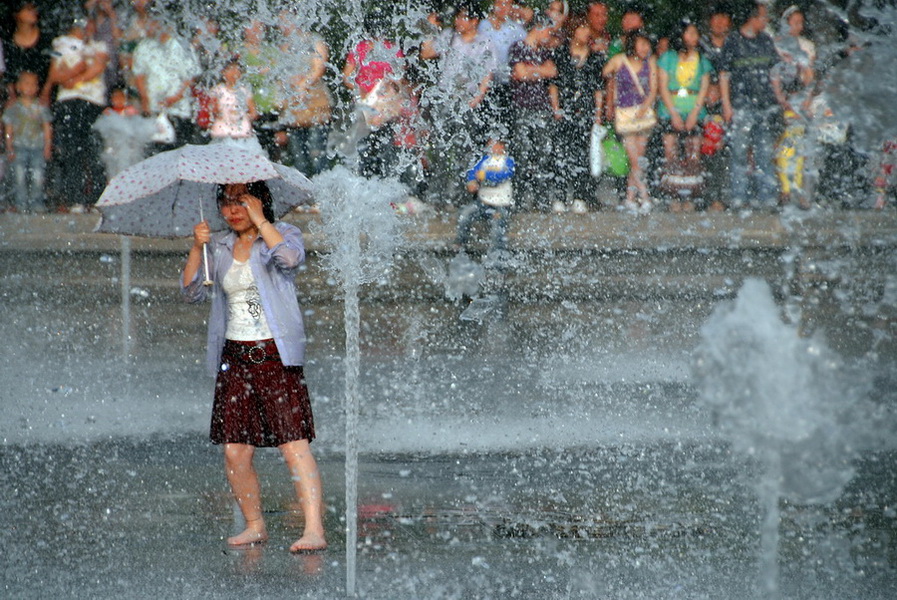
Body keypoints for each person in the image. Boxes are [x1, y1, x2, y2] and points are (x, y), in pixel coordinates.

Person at [182, 181, 327, 553]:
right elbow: (191, 291)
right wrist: (196, 249)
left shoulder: (283, 233)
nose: (232, 210)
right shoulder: (219, 244)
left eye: (241, 202)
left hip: (275, 354)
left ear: (259, 202)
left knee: (293, 445)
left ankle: (313, 529)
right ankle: (254, 525)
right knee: (235, 450)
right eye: (226, 203)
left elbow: (290, 260)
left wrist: (262, 222)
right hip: (235, 357)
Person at [421, 3, 497, 206]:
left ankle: (461, 196)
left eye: (463, 18)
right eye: (457, 17)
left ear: (475, 22)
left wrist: (478, 98)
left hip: (468, 102)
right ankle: (436, 196)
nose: (458, 21)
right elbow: (426, 53)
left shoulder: (485, 42)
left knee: (465, 150)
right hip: (445, 99)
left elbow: (488, 73)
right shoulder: (448, 36)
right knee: (439, 148)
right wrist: (430, 30)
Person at [42, 16, 109, 212]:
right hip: (68, 102)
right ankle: (75, 198)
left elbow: (97, 66)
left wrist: (74, 74)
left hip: (92, 103)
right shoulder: (61, 44)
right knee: (72, 151)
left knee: (94, 150)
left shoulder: (98, 45)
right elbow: (55, 74)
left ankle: (98, 199)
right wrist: (75, 73)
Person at [719, 1, 781, 209]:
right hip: (740, 105)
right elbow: (724, 75)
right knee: (739, 152)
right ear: (752, 18)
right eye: (763, 17)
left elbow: (774, 73)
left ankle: (767, 197)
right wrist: (727, 105)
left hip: (765, 106)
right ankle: (739, 196)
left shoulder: (766, 41)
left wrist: (780, 98)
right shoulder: (733, 41)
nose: (766, 21)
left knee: (765, 152)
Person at [549, 14, 606, 213]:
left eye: (586, 29)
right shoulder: (562, 54)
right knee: (561, 154)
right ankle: (560, 195)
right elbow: (554, 84)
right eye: (581, 29)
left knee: (582, 154)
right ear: (573, 32)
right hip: (565, 110)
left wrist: (598, 113)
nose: (585, 33)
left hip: (585, 112)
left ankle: (580, 195)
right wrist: (556, 108)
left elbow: (598, 88)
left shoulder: (594, 58)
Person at [656, 19, 713, 212]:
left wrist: (694, 113)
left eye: (695, 34)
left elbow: (704, 87)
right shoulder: (667, 58)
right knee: (670, 155)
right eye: (690, 33)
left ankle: (691, 196)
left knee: (693, 155)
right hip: (670, 109)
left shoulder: (702, 59)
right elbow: (662, 87)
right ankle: (672, 196)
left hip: (694, 109)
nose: (694, 38)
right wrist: (673, 113)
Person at [508, 13, 559, 211]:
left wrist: (530, 70)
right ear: (538, 27)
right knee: (522, 153)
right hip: (522, 106)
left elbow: (552, 72)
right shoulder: (518, 48)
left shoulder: (545, 52)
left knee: (543, 154)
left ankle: (541, 200)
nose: (548, 35)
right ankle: (519, 201)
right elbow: (520, 74)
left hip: (542, 108)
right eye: (547, 30)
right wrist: (539, 71)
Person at [603, 30, 658, 213]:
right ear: (633, 44)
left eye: (647, 44)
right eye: (642, 44)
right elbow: (604, 73)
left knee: (638, 160)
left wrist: (644, 108)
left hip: (643, 114)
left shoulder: (650, 62)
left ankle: (629, 198)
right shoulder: (620, 60)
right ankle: (645, 197)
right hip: (625, 114)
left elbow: (653, 88)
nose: (645, 48)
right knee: (635, 161)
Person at [132, 18, 201, 152]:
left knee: (178, 152)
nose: (151, 26)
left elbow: (190, 78)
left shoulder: (182, 46)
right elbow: (139, 75)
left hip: (178, 110)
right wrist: (145, 99)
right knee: (152, 153)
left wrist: (175, 97)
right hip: (153, 109)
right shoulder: (144, 46)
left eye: (155, 22)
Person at [275, 17, 332, 178]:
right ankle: (305, 196)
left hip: (316, 104)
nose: (283, 25)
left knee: (317, 154)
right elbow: (279, 75)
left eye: (286, 20)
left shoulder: (314, 41)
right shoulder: (283, 46)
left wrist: (303, 84)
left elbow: (319, 67)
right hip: (292, 107)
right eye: (281, 21)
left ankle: (323, 193)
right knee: (299, 158)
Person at [456, 137, 516, 255]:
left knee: (497, 229)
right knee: (464, 214)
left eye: (493, 144)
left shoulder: (507, 161)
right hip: (483, 201)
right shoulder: (484, 160)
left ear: (501, 146)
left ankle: (497, 254)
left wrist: (485, 175)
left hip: (501, 203)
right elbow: (473, 172)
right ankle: (460, 243)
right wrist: (471, 182)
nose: (491, 147)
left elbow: (504, 174)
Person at [3, 71, 52, 213]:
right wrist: (9, 146)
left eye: (33, 84)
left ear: (38, 87)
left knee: (38, 176)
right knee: (19, 176)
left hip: (38, 146)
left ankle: (37, 202)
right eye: (26, 83)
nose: (30, 87)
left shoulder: (41, 107)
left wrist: (48, 146)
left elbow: (47, 127)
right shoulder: (12, 107)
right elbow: (8, 128)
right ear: (18, 87)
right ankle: (21, 203)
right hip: (19, 146)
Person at [208, 58, 261, 154]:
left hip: (242, 133)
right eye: (231, 70)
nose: (234, 73)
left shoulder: (244, 91)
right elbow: (213, 110)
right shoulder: (218, 90)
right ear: (223, 72)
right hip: (222, 132)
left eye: (237, 70)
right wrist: (226, 113)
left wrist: (242, 117)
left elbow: (254, 112)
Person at [3, 3, 52, 107]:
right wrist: (12, 95)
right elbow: (8, 73)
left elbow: (52, 67)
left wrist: (46, 91)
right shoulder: (8, 42)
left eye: (33, 8)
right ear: (16, 14)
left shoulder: (46, 38)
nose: (33, 12)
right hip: (19, 96)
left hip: (44, 95)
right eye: (28, 9)